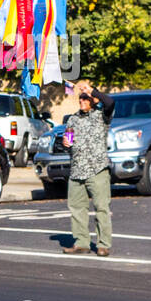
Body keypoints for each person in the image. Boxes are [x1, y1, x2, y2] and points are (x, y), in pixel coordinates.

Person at [62, 79, 115, 256]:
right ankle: (81, 243)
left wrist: (93, 91)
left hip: (97, 169)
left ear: (93, 100)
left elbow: (110, 102)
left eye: (86, 98)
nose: (83, 101)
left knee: (101, 208)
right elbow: (68, 141)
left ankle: (103, 244)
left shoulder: (102, 115)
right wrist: (65, 144)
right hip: (77, 170)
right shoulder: (73, 120)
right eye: (81, 98)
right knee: (77, 209)